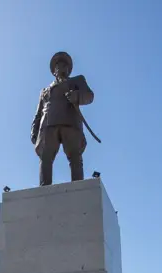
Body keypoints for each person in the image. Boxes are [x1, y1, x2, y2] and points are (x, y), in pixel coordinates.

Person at [31, 51, 95, 186]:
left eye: (64, 65)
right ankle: (44, 189)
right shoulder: (45, 91)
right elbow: (38, 113)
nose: (61, 68)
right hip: (48, 125)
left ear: (69, 69)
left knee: (75, 157)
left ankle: (78, 188)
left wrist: (77, 96)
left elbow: (89, 96)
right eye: (58, 66)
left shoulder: (77, 81)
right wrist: (34, 129)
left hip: (70, 122)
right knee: (45, 157)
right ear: (54, 71)